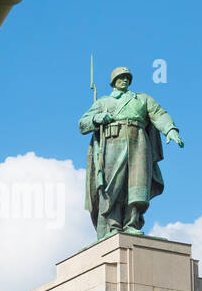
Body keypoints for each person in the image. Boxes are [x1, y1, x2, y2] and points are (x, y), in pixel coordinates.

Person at [78, 66, 184, 240]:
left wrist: (170, 129)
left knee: (137, 185)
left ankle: (131, 224)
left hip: (138, 141)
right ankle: (113, 226)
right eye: (121, 77)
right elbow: (82, 124)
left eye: (127, 77)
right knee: (112, 185)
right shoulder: (103, 102)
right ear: (113, 81)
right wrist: (97, 118)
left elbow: (159, 114)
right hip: (113, 141)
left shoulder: (142, 99)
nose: (125, 80)